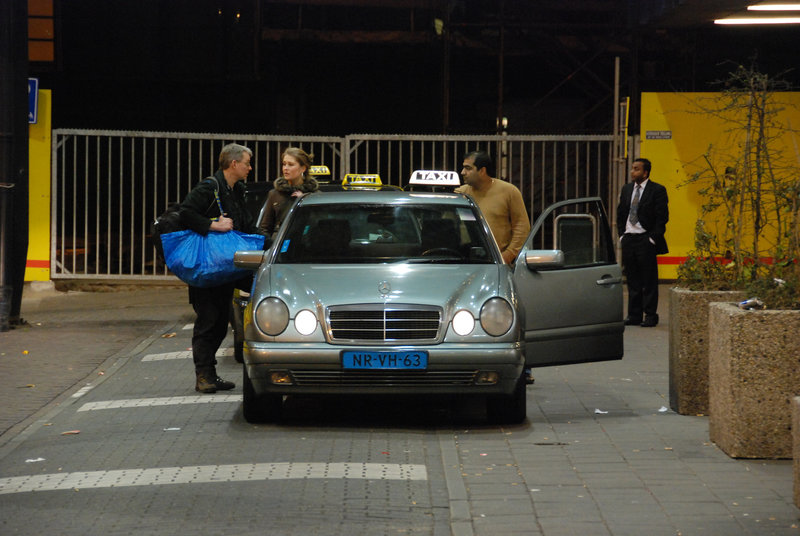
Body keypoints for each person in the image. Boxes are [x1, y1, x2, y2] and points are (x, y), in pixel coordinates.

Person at [179, 143, 261, 393]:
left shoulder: (238, 190)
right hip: (207, 270)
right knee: (208, 320)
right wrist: (214, 225)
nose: (249, 167)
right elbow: (185, 214)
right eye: (247, 162)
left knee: (218, 323)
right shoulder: (209, 187)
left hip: (225, 269)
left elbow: (245, 226)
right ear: (234, 164)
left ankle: (210, 375)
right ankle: (203, 376)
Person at [616, 157, 669, 328]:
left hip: (645, 239)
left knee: (649, 280)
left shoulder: (657, 190)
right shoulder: (627, 189)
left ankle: (651, 315)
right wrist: (622, 235)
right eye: (632, 168)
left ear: (645, 172)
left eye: (636, 169)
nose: (632, 172)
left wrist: (652, 238)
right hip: (629, 239)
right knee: (632, 279)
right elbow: (621, 213)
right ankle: (634, 315)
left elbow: (662, 217)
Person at [455, 150, 530, 264]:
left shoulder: (509, 191)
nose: (462, 172)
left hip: (499, 264)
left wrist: (506, 256)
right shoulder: (460, 194)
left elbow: (522, 227)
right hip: (462, 261)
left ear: (482, 171)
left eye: (468, 168)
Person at [258, 147, 320, 238]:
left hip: (307, 244)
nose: (285, 168)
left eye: (290, 164)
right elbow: (265, 228)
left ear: (303, 168)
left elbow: (318, 224)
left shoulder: (315, 195)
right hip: (280, 245)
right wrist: (270, 246)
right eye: (284, 164)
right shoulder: (275, 194)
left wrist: (305, 201)